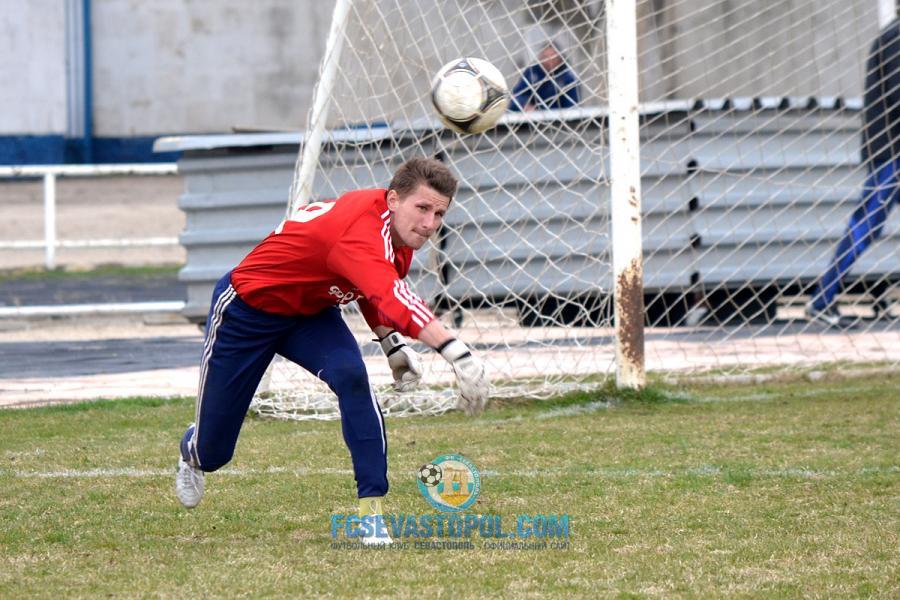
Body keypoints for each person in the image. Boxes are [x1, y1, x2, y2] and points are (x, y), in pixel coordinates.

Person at [174, 157, 490, 545]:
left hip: (310, 314)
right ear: (392, 199)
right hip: (247, 311)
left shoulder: (399, 235)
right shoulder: (359, 231)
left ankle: (370, 514)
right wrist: (457, 353)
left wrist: (391, 343)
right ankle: (193, 448)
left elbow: (373, 288)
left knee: (352, 378)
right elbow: (389, 292)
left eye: (439, 213)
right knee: (214, 454)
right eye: (422, 208)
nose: (430, 224)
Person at [806, 17, 899, 327]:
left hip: (888, 149)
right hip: (890, 151)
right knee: (867, 224)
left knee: (867, 224)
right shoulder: (895, 36)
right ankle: (822, 299)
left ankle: (822, 299)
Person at [509, 42, 581, 112]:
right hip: (532, 119)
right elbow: (517, 96)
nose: (548, 61)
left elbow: (572, 106)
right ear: (540, 58)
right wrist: (524, 105)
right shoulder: (531, 73)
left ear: (560, 59)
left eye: (552, 57)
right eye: (545, 57)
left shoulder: (568, 78)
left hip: (559, 120)